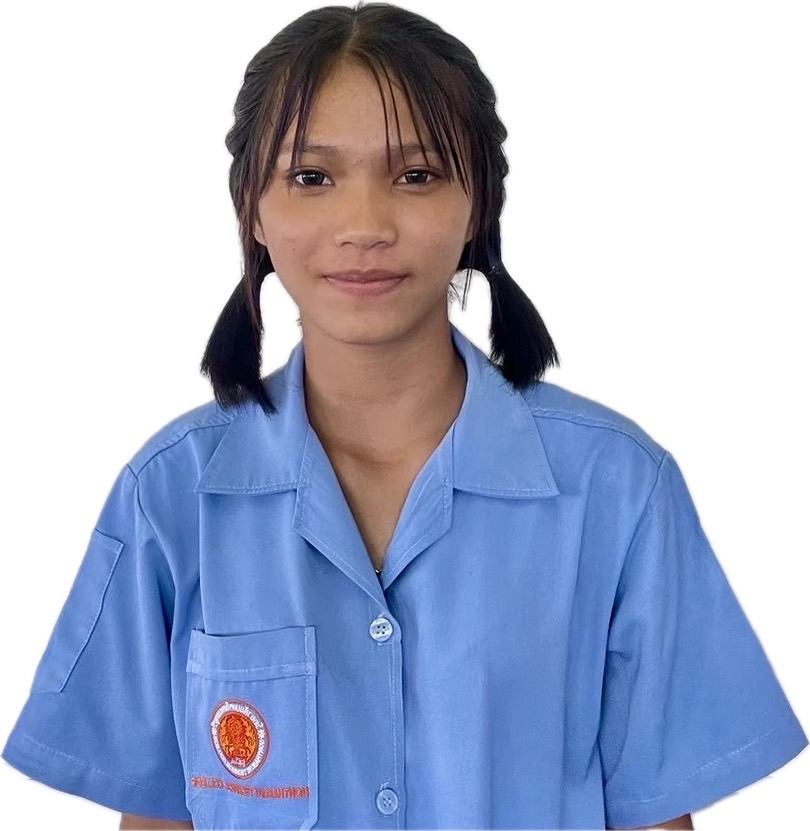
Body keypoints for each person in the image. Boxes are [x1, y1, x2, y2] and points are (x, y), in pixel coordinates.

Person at [2, 3, 806, 829]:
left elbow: (656, 815)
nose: (365, 226)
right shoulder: (171, 497)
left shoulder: (618, 491)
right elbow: (155, 813)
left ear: (479, 204)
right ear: (252, 208)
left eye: (417, 174)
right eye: (312, 178)